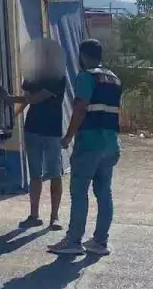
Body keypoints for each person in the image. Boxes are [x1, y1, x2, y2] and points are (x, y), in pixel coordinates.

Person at [48, 38, 121, 257]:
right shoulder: (115, 79)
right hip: (110, 144)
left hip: (89, 143)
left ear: (83, 56)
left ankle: (73, 240)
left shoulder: (86, 76)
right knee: (104, 192)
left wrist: (68, 136)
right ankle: (100, 241)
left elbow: (80, 108)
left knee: (79, 193)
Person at [0, 68, 67, 231]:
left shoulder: (58, 77)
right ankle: (34, 216)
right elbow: (27, 99)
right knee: (35, 175)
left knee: (55, 174)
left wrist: (9, 98)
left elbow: (35, 99)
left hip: (52, 132)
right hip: (32, 130)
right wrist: (13, 117)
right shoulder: (33, 75)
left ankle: (54, 217)